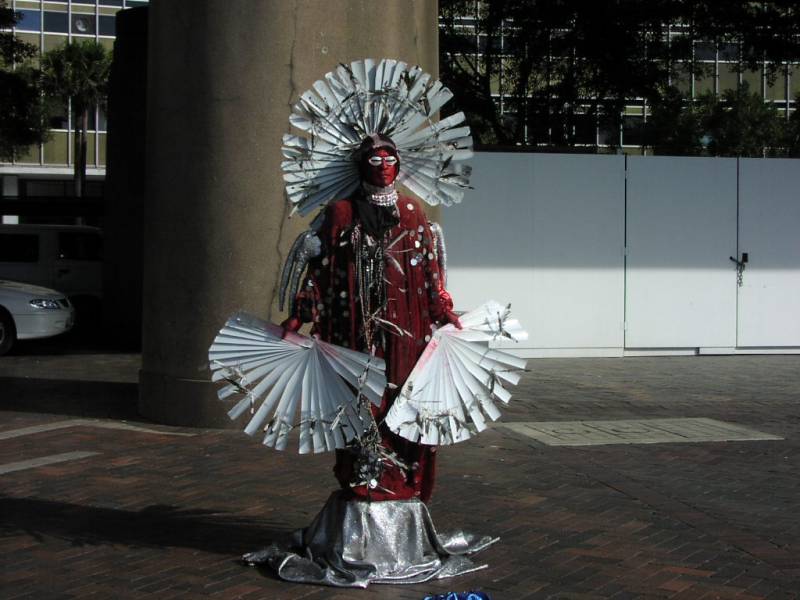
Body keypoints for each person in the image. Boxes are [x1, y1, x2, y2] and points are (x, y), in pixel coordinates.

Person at [282, 133, 461, 503]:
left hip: (408, 331)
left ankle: (401, 481)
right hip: (355, 332)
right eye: (375, 161)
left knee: (405, 402)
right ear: (361, 166)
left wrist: (442, 310)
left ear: (400, 164)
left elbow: (429, 272)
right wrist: (300, 315)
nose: (384, 168)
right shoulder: (342, 213)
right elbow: (321, 272)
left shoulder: (411, 211)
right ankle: (366, 478)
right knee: (361, 403)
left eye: (390, 160)